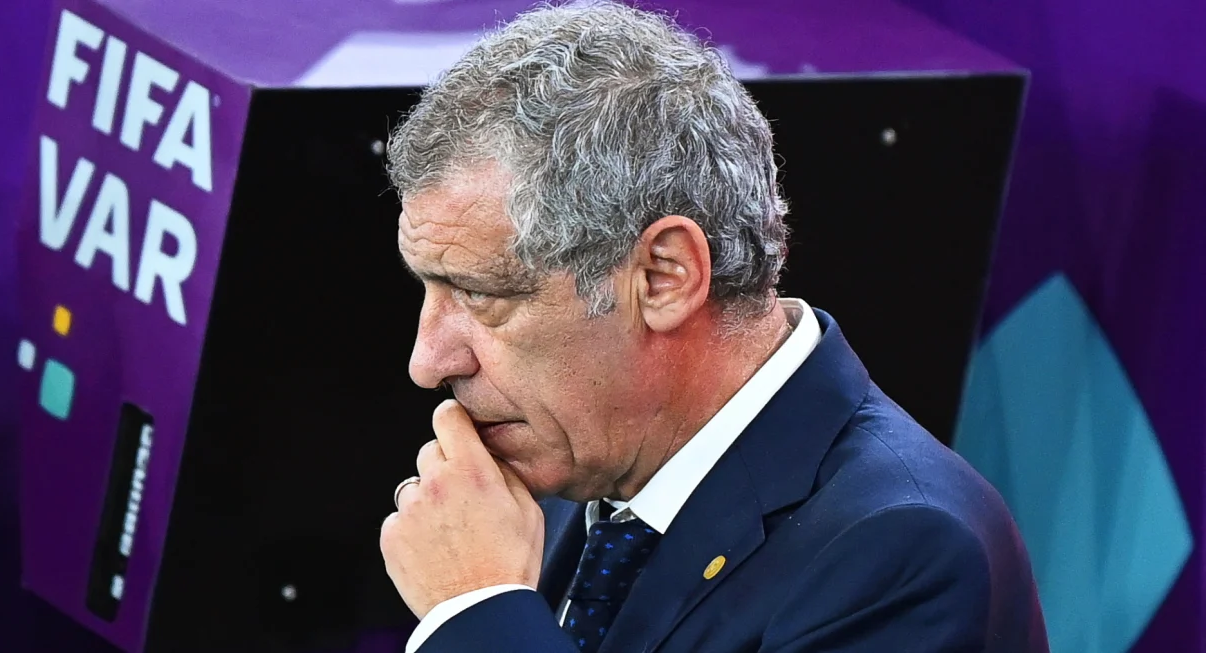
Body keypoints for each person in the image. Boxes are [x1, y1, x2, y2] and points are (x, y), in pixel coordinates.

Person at [379, 2, 1049, 651]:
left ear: (663, 277)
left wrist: (477, 610)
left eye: (481, 294)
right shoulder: (571, 465)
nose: (426, 361)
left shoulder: (903, 554)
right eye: (427, 289)